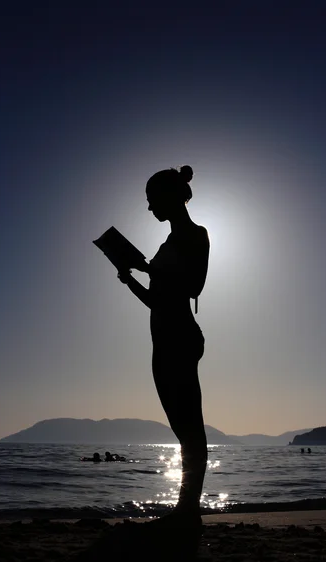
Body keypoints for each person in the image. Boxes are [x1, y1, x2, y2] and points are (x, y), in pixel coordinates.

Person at [117, 165, 210, 529]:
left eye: (152, 200)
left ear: (170, 197)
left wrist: (152, 271)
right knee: (180, 426)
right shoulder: (166, 244)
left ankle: (189, 510)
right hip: (163, 339)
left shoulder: (194, 234)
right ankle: (186, 507)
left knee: (191, 426)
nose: (150, 208)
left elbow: (194, 286)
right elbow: (157, 302)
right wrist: (132, 280)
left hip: (182, 337)